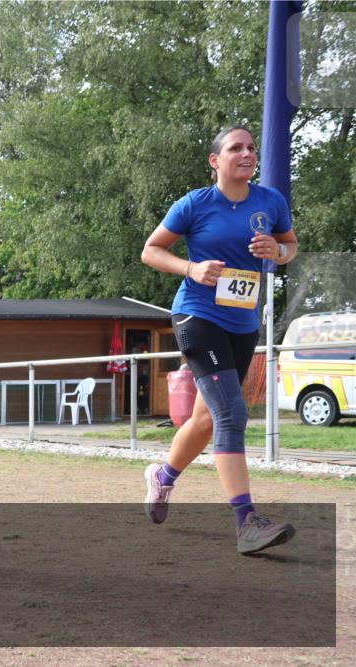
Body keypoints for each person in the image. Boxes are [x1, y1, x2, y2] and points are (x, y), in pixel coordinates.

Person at [141, 125, 299, 555]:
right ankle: (247, 522)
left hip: (242, 323)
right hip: (197, 314)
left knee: (207, 420)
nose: (247, 153)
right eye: (236, 148)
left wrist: (277, 252)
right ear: (216, 160)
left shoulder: (271, 202)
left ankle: (162, 477)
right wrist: (191, 269)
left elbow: (290, 246)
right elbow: (151, 250)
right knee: (230, 413)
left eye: (251, 148)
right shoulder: (195, 204)